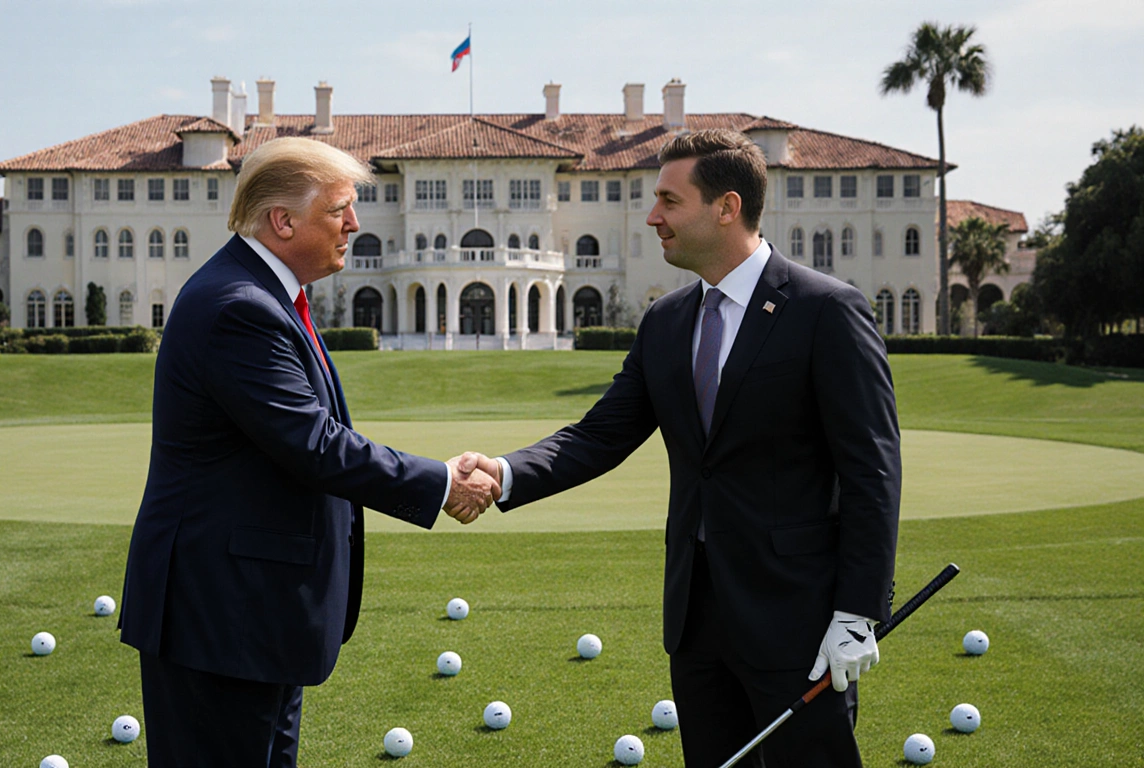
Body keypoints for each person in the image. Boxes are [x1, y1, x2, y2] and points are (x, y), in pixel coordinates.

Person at [461, 129, 901, 767]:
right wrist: (503, 473)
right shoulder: (666, 321)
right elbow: (600, 435)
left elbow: (872, 472)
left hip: (798, 621)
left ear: (726, 206)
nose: (652, 215)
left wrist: (858, 610)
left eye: (669, 199)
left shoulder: (826, 310)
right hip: (697, 619)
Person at [118, 137, 499, 768]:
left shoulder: (263, 294)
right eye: (340, 209)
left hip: (256, 614)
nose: (355, 223)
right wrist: (439, 483)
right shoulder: (238, 307)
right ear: (283, 221)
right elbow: (314, 444)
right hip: (220, 616)